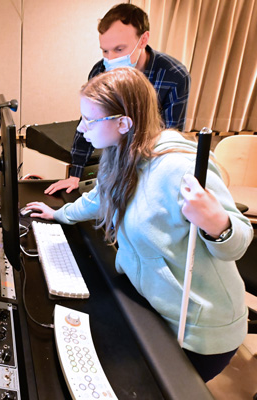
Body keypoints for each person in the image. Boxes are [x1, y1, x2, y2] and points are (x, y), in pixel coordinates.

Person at [25, 67, 254, 382]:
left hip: (201, 331)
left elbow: (239, 241)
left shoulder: (179, 166)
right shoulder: (122, 153)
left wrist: (217, 223)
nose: (81, 128)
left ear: (123, 123)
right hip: (154, 306)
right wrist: (59, 215)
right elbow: (101, 196)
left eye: (89, 120)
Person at [45, 3, 190, 195]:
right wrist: (76, 174)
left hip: (151, 169)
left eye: (119, 49)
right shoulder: (100, 71)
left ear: (143, 39)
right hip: (114, 164)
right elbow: (88, 121)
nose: (111, 59)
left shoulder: (174, 76)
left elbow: (171, 136)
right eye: (105, 51)